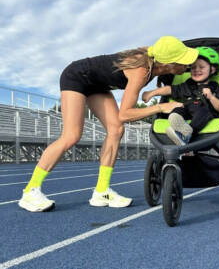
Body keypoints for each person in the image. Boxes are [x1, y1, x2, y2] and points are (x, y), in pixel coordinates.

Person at [18, 36, 199, 212]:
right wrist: (161, 106)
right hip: (77, 76)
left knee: (116, 130)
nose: (188, 65)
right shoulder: (141, 72)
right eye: (183, 61)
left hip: (97, 85)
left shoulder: (155, 56)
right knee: (71, 136)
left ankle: (101, 191)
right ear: (167, 64)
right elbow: (125, 114)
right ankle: (30, 191)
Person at [142, 46, 219, 146]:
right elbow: (170, 89)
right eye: (193, 67)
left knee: (204, 112)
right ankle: (181, 128)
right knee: (176, 111)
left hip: (205, 112)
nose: (196, 70)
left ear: (212, 70)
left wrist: (211, 97)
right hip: (188, 109)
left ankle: (187, 134)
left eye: (201, 67)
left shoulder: (215, 87)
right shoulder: (188, 85)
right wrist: (152, 93)